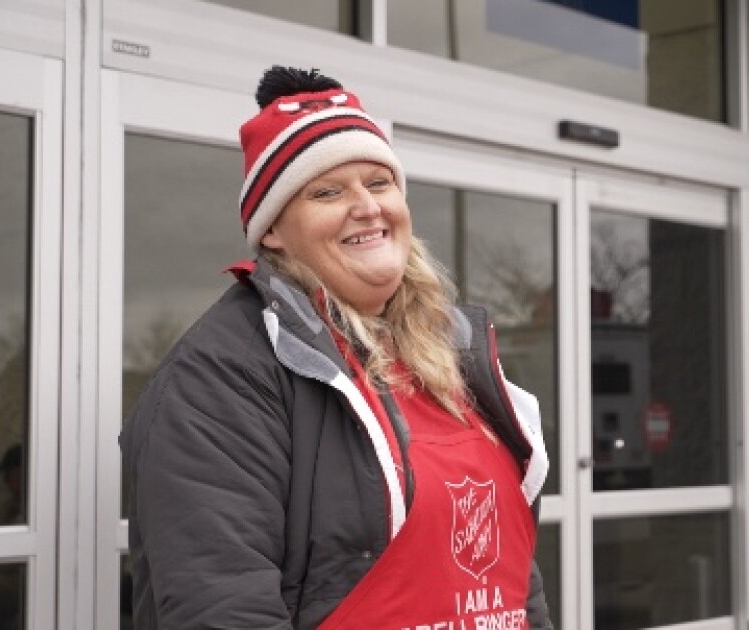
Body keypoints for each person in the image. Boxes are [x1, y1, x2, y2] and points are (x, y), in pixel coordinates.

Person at [120, 66, 551, 630]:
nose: (367, 206)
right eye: (327, 191)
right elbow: (220, 609)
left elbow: (516, 582)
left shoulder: (456, 359)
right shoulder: (220, 380)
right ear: (272, 229)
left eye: (379, 184)